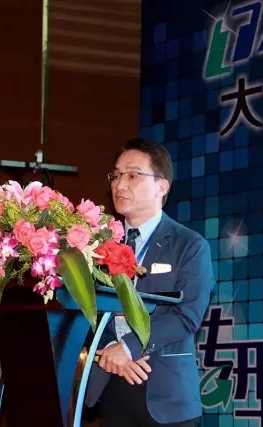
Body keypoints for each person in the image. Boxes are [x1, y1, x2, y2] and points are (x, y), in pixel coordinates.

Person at [85, 138, 215, 426]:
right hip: (111, 385)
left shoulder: (189, 245)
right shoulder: (95, 246)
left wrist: (129, 347)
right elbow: (85, 310)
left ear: (161, 186)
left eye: (132, 175)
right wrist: (111, 349)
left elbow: (187, 315)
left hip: (167, 396)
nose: (120, 184)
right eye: (116, 175)